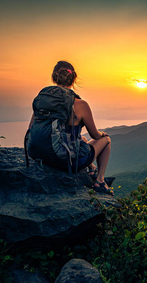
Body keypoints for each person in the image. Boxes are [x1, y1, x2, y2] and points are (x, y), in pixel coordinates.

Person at [28, 61, 113, 195]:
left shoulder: (43, 101)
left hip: (40, 157)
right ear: (73, 78)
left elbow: (31, 127)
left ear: (54, 77)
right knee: (106, 140)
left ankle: (91, 168)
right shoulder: (80, 104)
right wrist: (102, 134)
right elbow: (96, 136)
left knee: (83, 139)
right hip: (66, 161)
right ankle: (100, 181)